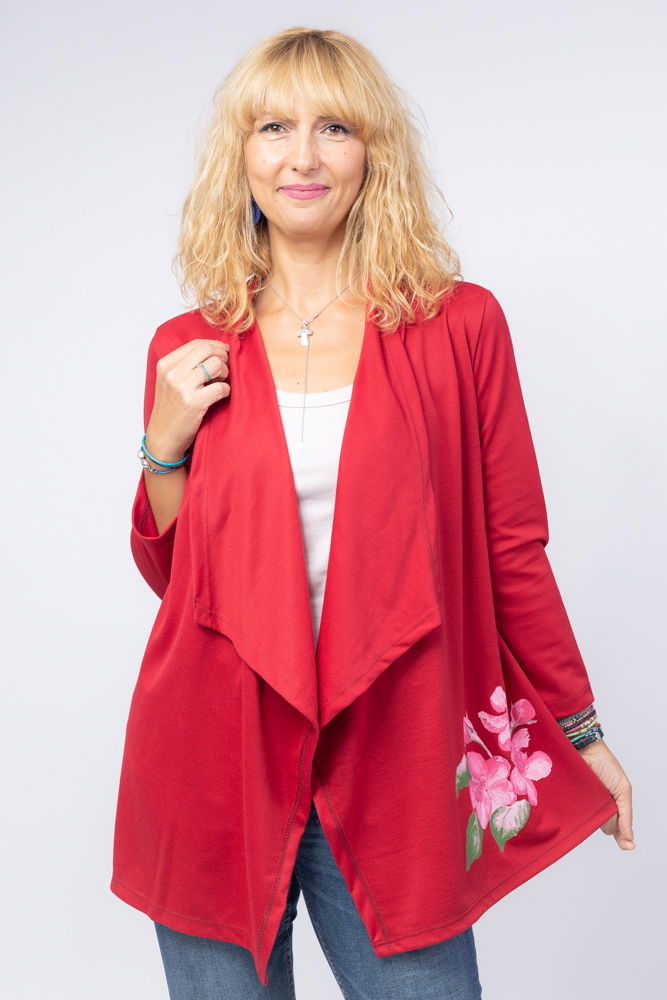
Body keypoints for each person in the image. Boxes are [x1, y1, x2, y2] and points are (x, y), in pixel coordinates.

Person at [111, 26, 635, 1000]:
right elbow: (181, 584)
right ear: (242, 156)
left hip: (397, 758)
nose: (302, 156)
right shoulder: (188, 345)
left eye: (334, 128)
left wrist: (578, 725)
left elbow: (511, 547)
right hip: (212, 760)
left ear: (371, 155)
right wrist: (164, 441)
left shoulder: (460, 327)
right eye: (273, 127)